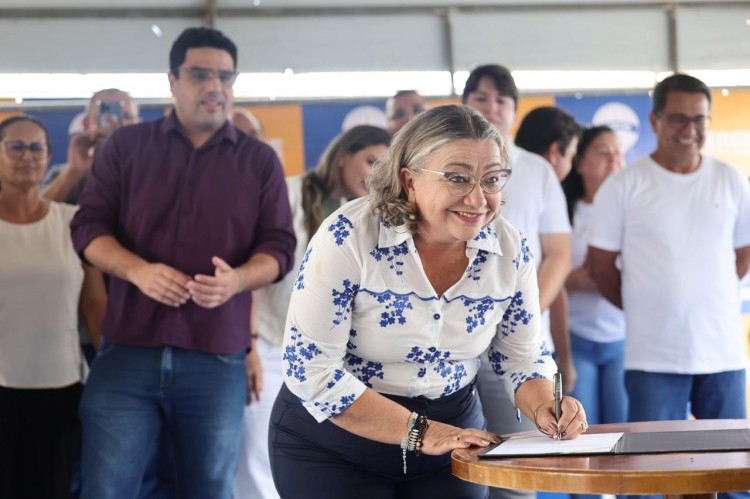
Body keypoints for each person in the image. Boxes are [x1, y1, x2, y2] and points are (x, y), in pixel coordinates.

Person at [268, 104, 587, 499]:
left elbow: (522, 357)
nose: (478, 199)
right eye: (457, 178)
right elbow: (311, 370)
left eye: (492, 180)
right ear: (409, 180)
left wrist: (544, 407)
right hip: (334, 444)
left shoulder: (510, 249)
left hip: (451, 442)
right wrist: (421, 432)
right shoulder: (348, 237)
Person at [70, 27, 296, 499]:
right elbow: (87, 228)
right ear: (172, 80)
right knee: (106, 488)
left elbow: (279, 248)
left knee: (210, 490)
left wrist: (237, 280)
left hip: (217, 357)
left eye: (225, 76)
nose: (214, 86)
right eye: (199, 74)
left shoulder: (259, 161)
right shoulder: (126, 148)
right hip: (127, 351)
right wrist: (137, 270)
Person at [587, 75, 750, 499]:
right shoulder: (625, 184)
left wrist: (705, 296)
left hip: (723, 353)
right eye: (679, 118)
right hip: (653, 356)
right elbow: (601, 266)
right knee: (645, 476)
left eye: (699, 119)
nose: (690, 129)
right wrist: (645, 306)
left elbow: (743, 251)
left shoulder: (730, 179)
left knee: (736, 475)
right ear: (655, 119)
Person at [233, 124, 391, 499]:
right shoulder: (288, 191)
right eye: (370, 160)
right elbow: (254, 268)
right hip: (273, 346)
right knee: (257, 454)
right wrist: (249, 346)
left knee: (324, 461)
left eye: (383, 168)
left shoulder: (378, 215)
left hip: (339, 361)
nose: (374, 174)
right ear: (342, 156)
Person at [462, 65, 573, 499]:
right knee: (458, 467)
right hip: (448, 343)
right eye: (481, 99)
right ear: (463, 103)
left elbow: (559, 253)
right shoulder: (439, 163)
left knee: (519, 471)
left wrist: (523, 314)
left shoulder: (537, 170)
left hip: (518, 347)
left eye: (501, 101)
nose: (491, 109)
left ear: (514, 111)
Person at [0, 115, 106, 499]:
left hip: (59, 385)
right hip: (1, 383)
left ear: (48, 156)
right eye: (16, 146)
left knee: (50, 488)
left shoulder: (73, 222)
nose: (27, 156)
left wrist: (108, 371)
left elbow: (95, 303)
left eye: (36, 147)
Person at [561, 127, 627, 499]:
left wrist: (590, 275)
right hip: (576, 341)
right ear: (580, 161)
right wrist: (588, 276)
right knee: (579, 446)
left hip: (623, 340)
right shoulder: (567, 209)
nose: (614, 161)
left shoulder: (633, 207)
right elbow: (557, 278)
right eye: (603, 152)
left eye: (618, 153)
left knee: (630, 447)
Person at [42, 88, 140, 204]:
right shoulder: (62, 174)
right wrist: (73, 173)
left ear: (138, 124)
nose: (118, 123)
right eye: (105, 117)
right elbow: (33, 217)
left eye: (127, 117)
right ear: (86, 123)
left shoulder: (155, 170)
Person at [515, 106, 582, 182]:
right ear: (554, 153)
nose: (571, 167)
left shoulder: (503, 182)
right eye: (571, 157)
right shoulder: (544, 190)